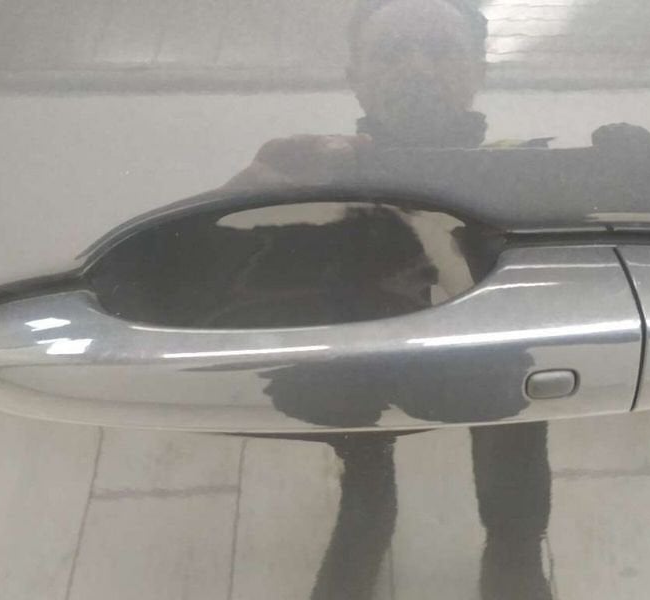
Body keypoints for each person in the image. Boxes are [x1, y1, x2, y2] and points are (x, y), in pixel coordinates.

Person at [218, 1, 553, 598]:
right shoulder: (310, 170)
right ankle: (369, 516)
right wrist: (245, 200)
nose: (417, 67)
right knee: (364, 444)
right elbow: (214, 274)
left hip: (488, 371)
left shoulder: (526, 164)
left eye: (440, 50)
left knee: (516, 400)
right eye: (393, 52)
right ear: (357, 78)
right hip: (352, 373)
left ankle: (513, 546)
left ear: (478, 71)